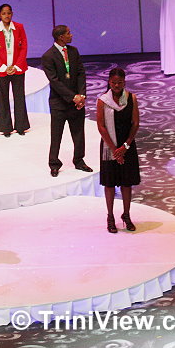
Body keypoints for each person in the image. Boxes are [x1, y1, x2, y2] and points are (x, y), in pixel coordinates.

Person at [41, 25, 92, 177]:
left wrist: (81, 95)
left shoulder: (74, 51)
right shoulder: (48, 56)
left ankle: (79, 160)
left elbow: (81, 73)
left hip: (77, 101)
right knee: (56, 135)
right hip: (59, 103)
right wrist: (72, 97)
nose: (71, 35)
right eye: (68, 33)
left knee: (79, 133)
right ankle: (54, 163)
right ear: (60, 37)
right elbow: (54, 81)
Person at [96, 68, 140, 233]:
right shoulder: (103, 100)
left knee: (126, 183)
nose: (116, 85)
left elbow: (135, 123)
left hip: (127, 146)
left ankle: (126, 215)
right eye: (113, 82)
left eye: (119, 83)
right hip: (109, 147)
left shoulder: (131, 98)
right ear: (109, 82)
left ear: (124, 82)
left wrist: (125, 147)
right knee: (109, 184)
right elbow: (101, 126)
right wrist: (115, 150)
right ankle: (110, 217)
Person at [0, 4, 30, 137]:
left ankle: (21, 126)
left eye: (9, 13)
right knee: (3, 98)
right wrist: (4, 67)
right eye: (4, 13)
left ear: (12, 14)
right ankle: (6, 128)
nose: (6, 16)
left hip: (18, 68)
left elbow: (24, 47)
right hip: (1, 70)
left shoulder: (19, 27)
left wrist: (16, 66)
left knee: (19, 97)